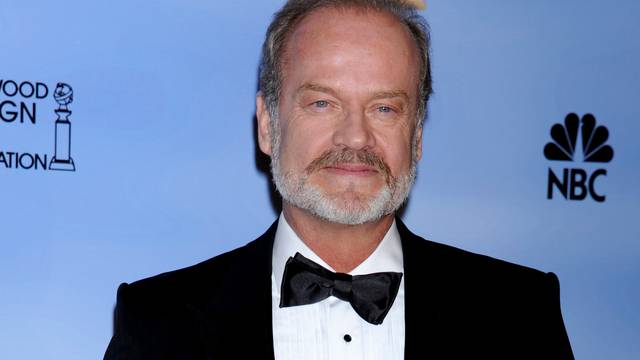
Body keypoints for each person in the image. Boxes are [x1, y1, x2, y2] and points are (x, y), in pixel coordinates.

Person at [104, 0, 574, 359]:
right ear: (268, 125)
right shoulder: (157, 323)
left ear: (417, 137)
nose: (355, 136)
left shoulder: (520, 316)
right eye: (322, 103)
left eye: (384, 108)